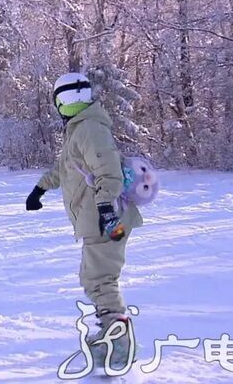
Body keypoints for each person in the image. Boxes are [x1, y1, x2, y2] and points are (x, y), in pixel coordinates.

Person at [25, 72, 143, 365]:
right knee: (94, 278)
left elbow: (109, 172)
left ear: (61, 100)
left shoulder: (89, 128)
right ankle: (111, 337)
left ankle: (118, 347)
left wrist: (105, 210)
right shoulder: (82, 129)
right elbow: (67, 168)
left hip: (106, 218)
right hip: (98, 218)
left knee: (100, 279)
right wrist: (40, 188)